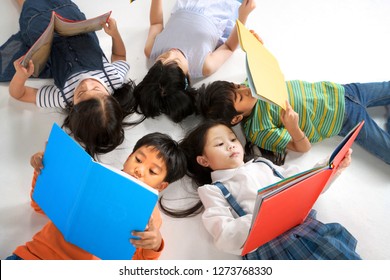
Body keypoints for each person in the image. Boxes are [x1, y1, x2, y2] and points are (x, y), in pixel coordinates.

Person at [160, 120, 361, 259]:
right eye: (220, 144)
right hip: (274, 251)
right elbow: (223, 236)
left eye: (232, 139)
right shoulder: (214, 190)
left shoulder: (264, 164)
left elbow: (306, 183)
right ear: (204, 160)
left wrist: (333, 167)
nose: (231, 146)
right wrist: (262, 216)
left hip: (311, 230)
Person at [5, 132, 187, 260]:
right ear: (128, 157)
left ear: (162, 185)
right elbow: (39, 205)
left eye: (152, 171)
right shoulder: (93, 177)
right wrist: (43, 170)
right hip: (34, 257)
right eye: (138, 160)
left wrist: (155, 244)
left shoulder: (150, 215)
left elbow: (136, 263)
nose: (139, 170)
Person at [0, 0, 135, 157]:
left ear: (73, 108)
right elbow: (120, 56)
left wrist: (21, 76)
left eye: (81, 93)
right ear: (111, 97)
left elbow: (19, 94)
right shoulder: (114, 79)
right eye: (97, 89)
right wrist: (115, 34)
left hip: (40, 28)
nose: (87, 84)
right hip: (72, 18)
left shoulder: (63, 97)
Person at [196, 77, 390, 165]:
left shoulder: (251, 83)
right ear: (237, 117)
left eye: (237, 86)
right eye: (240, 97)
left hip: (342, 91)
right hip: (344, 119)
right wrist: (293, 127)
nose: (245, 90)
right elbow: (303, 148)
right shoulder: (259, 130)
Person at [128, 0, 256, 123]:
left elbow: (156, 23)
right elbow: (229, 47)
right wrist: (243, 16)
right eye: (176, 61)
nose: (172, 52)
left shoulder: (151, 50)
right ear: (187, 76)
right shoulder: (204, 65)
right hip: (220, 8)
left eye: (162, 58)